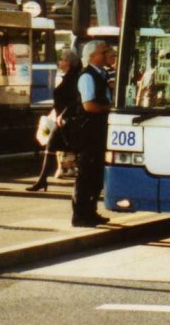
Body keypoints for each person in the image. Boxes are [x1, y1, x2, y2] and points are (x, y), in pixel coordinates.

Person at [71, 40, 113, 227]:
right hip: (89, 130)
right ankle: (80, 214)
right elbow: (89, 105)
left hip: (99, 129)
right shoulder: (87, 77)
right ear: (92, 56)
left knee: (96, 173)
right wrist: (110, 108)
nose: (107, 55)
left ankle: (91, 210)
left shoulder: (102, 74)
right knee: (86, 173)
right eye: (103, 52)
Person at [27, 50, 82, 192]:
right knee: (51, 147)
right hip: (62, 120)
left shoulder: (74, 79)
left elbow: (74, 101)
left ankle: (44, 180)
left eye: (62, 59)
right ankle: (42, 180)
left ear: (68, 63)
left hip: (68, 121)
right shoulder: (68, 77)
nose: (60, 62)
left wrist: (62, 114)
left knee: (75, 150)